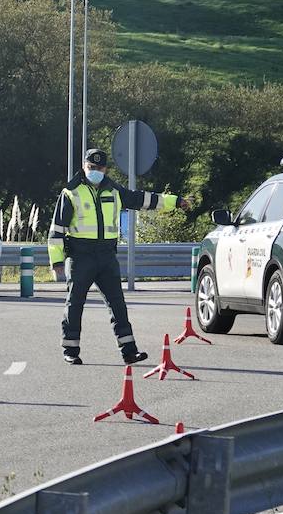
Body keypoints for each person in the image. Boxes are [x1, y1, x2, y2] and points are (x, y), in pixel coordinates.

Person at [47, 148, 192, 366]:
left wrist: (174, 201)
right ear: (84, 167)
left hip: (106, 255)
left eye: (99, 168)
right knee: (75, 304)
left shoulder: (114, 190)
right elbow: (57, 229)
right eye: (91, 168)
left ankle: (129, 351)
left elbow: (141, 199)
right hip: (81, 256)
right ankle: (71, 349)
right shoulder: (71, 192)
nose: (95, 171)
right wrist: (57, 261)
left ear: (105, 169)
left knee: (118, 304)